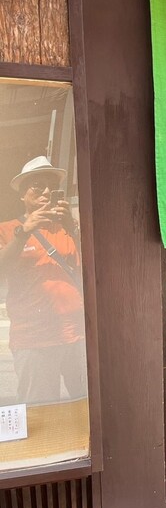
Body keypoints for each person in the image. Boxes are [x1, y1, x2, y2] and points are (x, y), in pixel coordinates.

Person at [0, 156, 86, 404]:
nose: (47, 192)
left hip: (77, 338)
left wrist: (72, 228)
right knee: (41, 414)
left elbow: (92, 269)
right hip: (33, 340)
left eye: (52, 187)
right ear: (23, 194)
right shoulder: (8, 229)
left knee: (88, 409)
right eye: (38, 186)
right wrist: (23, 232)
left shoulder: (69, 227)